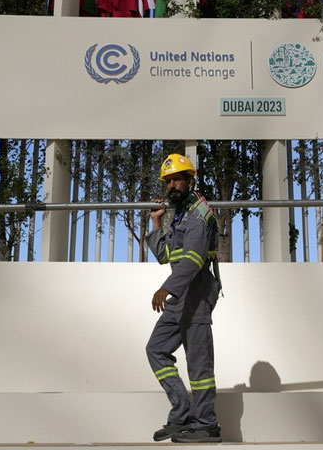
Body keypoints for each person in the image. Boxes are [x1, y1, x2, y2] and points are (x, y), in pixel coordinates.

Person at [146, 153, 222, 444]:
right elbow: (166, 255)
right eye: (168, 181)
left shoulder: (200, 214)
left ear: (191, 181)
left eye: (178, 179)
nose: (172, 185)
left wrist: (166, 288)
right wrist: (157, 224)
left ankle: (207, 424)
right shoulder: (180, 214)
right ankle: (182, 414)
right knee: (156, 349)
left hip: (196, 294)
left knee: (199, 365)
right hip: (180, 295)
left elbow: (191, 260)